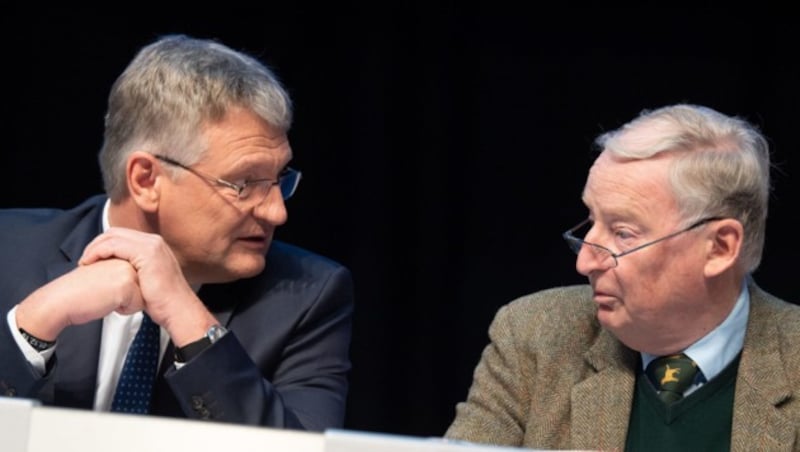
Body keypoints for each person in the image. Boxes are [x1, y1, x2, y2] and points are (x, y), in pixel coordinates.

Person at [0, 34, 354, 432]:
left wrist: (187, 315)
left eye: (278, 179)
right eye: (243, 183)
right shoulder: (7, 249)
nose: (277, 210)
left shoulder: (307, 295)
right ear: (146, 180)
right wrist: (31, 326)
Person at [445, 104, 800, 450]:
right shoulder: (535, 337)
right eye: (592, 219)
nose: (585, 262)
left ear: (719, 248)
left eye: (623, 233)